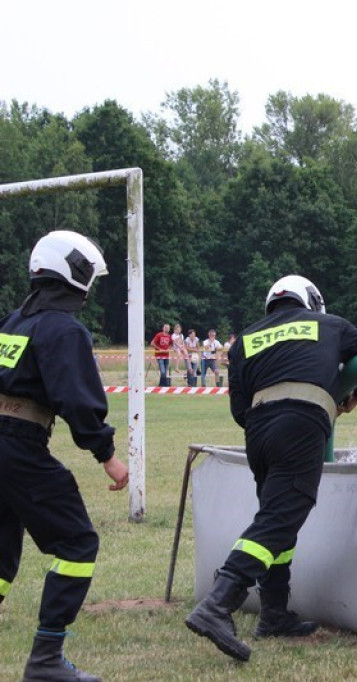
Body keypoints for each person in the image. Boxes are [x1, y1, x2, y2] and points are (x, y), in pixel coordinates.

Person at [185, 274, 357, 662]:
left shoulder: (245, 340)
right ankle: (219, 601)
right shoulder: (330, 325)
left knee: (274, 519)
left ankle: (274, 613)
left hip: (258, 431)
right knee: (280, 519)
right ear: (311, 301)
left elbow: (238, 409)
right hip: (301, 422)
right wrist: (353, 398)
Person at [0, 230, 129, 681]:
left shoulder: (13, 322)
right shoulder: (64, 328)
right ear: (74, 273)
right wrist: (107, 455)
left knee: (0, 554)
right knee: (77, 543)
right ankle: (46, 661)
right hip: (18, 444)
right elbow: (78, 401)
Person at [150, 323, 173, 387]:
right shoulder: (159, 335)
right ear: (163, 328)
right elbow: (152, 343)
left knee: (165, 372)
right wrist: (159, 349)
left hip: (166, 356)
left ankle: (162, 385)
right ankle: (163, 384)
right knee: (162, 371)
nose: (167, 329)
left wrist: (168, 348)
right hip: (159, 356)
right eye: (166, 327)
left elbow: (171, 344)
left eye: (168, 328)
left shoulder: (169, 336)